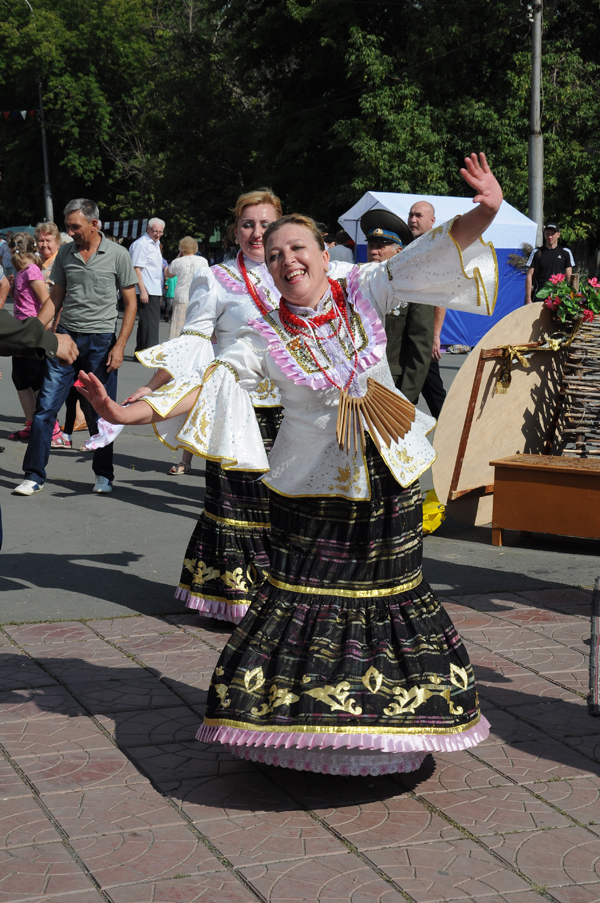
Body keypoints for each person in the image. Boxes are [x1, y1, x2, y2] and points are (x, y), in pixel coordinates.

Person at [79, 153, 501, 777]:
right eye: (274, 255)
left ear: (325, 253)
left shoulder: (364, 288)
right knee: (309, 597)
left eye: (297, 247)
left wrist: (486, 208)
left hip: (391, 470)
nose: (286, 260)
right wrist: (122, 409)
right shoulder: (262, 336)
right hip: (309, 484)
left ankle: (393, 728)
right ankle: (308, 731)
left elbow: (429, 253)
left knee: (387, 593)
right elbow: (208, 385)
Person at [128, 189, 283, 622]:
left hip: (293, 410)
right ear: (235, 229)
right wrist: (156, 384)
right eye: (248, 224)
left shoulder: (295, 268)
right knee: (236, 502)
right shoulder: (216, 277)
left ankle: (283, 596)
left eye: (266, 224)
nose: (257, 233)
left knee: (286, 504)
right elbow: (193, 341)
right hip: (234, 404)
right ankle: (234, 599)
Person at [13, 198, 138, 497]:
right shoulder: (66, 253)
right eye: (67, 226)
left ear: (95, 225)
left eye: (75, 226)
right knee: (45, 409)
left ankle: (103, 474)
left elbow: (131, 304)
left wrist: (120, 346)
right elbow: (54, 299)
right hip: (66, 340)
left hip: (101, 344)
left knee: (101, 412)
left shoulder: (118, 255)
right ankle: (34, 475)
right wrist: (32, 332)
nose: (69, 232)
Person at [6, 233, 67, 448]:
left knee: (36, 379)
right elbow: (24, 301)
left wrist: (44, 330)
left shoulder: (31, 270)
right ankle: (32, 423)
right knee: (20, 378)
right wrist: (13, 290)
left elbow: (46, 301)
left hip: (31, 330)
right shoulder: (22, 270)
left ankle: (52, 428)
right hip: (20, 330)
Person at [407, 201, 447, 420]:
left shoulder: (435, 249)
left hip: (423, 336)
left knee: (434, 393)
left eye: (419, 215)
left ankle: (454, 437)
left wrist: (434, 335)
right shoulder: (406, 246)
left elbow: (440, 297)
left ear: (432, 221)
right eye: (411, 215)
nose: (413, 219)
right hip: (405, 333)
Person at [129, 217, 165, 351]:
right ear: (148, 229)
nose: (158, 234)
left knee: (150, 323)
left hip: (154, 288)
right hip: (146, 288)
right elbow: (136, 267)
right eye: (156, 231)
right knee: (148, 323)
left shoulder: (155, 244)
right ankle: (147, 350)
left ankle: (144, 350)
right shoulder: (142, 244)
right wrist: (142, 290)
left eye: (160, 232)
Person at [165, 237, 208, 340]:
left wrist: (177, 257)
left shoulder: (178, 262)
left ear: (181, 248)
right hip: (196, 296)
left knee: (177, 327)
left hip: (181, 296)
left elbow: (168, 273)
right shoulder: (203, 261)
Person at [525, 222, 574, 304]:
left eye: (552, 234)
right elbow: (529, 275)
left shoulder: (565, 252)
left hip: (558, 297)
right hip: (539, 296)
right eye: (547, 234)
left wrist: (571, 297)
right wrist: (528, 298)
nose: (550, 237)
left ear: (558, 235)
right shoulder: (537, 252)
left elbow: (569, 277)